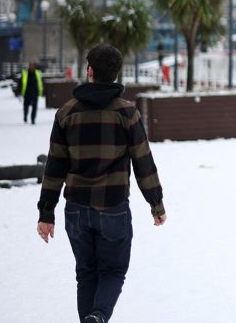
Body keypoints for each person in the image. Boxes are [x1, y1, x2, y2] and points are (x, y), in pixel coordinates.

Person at [36, 43, 167, 323]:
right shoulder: (126, 113)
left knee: (86, 273)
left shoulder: (67, 112)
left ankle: (91, 318)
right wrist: (156, 203)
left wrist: (46, 212)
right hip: (113, 208)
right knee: (112, 271)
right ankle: (98, 316)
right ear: (117, 74)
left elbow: (54, 166)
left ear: (90, 71)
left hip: (76, 208)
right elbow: (143, 161)